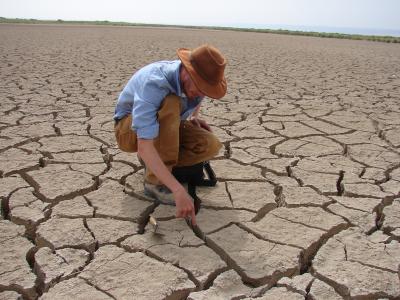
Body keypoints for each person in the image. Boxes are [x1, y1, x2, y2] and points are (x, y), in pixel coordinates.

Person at [113, 44, 227, 226]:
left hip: (165, 127)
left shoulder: (196, 82)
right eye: (200, 87)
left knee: (208, 143)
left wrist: (195, 116)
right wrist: (177, 190)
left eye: (206, 90)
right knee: (171, 102)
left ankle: (154, 163)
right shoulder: (155, 82)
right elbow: (144, 144)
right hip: (128, 131)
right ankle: (154, 182)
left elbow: (197, 95)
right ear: (187, 71)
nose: (201, 93)